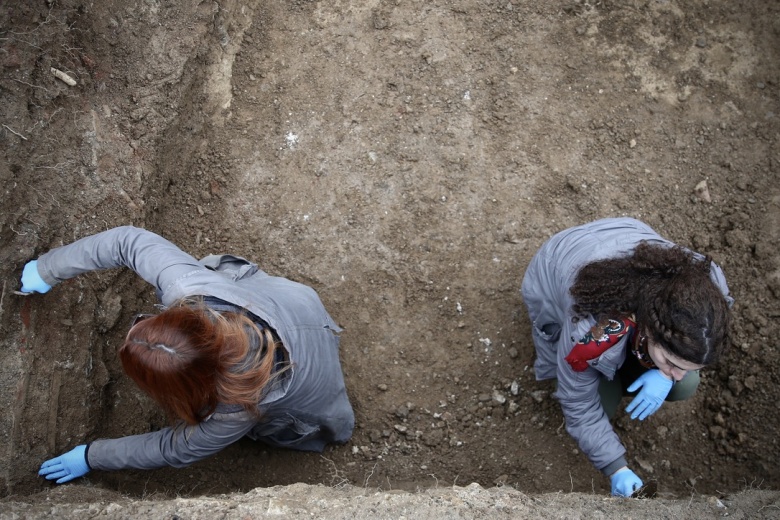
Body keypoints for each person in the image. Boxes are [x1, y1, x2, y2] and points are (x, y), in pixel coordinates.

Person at [20, 226, 355, 484]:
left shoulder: (234, 410)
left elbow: (174, 448)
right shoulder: (190, 288)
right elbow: (127, 241)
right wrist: (49, 267)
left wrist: (93, 456)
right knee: (215, 270)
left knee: (301, 425)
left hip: (316, 380)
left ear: (183, 391)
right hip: (296, 303)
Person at [521, 217, 732, 497]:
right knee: (601, 404)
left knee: (685, 385)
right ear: (651, 331)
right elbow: (579, 406)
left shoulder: (708, 289)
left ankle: (645, 361)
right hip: (553, 266)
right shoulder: (589, 333)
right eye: (672, 363)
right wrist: (616, 468)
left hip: (622, 240)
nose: (677, 372)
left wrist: (664, 372)